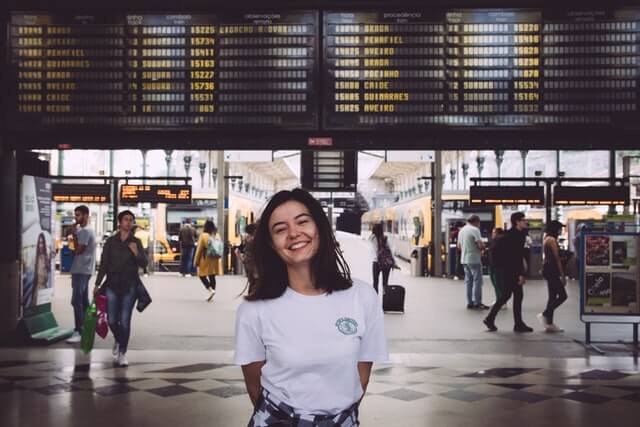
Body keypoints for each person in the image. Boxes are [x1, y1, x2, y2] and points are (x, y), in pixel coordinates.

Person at [235, 188, 388, 426]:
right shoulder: (253, 310)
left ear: (320, 228)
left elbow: (361, 376)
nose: (294, 233)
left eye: (302, 222)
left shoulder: (363, 297)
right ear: (272, 244)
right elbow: (255, 386)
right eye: (280, 229)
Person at [94, 210, 148, 367]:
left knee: (124, 321)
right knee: (111, 320)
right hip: (111, 284)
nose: (129, 222)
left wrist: (136, 252)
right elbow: (103, 264)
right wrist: (97, 284)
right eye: (126, 219)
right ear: (119, 222)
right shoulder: (111, 242)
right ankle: (119, 339)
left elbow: (144, 263)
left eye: (131, 220)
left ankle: (122, 352)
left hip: (129, 286)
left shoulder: (136, 242)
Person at [483, 212, 534, 333]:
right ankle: (517, 324)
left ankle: (491, 318)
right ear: (517, 221)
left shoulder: (510, 234)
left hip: (506, 270)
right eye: (523, 220)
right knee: (516, 296)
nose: (525, 222)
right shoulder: (517, 236)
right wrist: (520, 274)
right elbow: (515, 257)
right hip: (512, 270)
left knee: (507, 295)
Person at [66, 205, 97, 344]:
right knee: (83, 301)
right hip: (83, 269)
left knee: (76, 300)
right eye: (75, 215)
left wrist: (73, 234)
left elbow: (79, 250)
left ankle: (79, 330)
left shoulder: (85, 231)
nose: (76, 218)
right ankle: (87, 327)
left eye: (78, 215)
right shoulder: (85, 230)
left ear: (85, 215)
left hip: (81, 270)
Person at [538, 220, 567, 333]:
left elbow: (546, 257)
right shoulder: (552, 240)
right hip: (552, 270)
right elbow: (557, 258)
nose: (561, 230)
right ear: (555, 229)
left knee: (552, 297)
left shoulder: (546, 238)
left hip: (547, 269)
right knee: (563, 296)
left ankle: (549, 324)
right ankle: (545, 314)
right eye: (560, 228)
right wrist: (563, 275)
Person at [457, 215, 489, 310]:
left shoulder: (462, 230)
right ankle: (477, 303)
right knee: (477, 281)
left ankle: (469, 302)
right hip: (474, 259)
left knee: (468, 281)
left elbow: (459, 246)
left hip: (464, 259)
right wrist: (484, 248)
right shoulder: (475, 230)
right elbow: (480, 244)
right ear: (476, 222)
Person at [194, 220, 222, 302]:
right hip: (215, 258)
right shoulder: (217, 235)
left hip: (205, 258)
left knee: (201, 275)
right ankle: (212, 293)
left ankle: (210, 289)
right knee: (212, 275)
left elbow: (199, 249)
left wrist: (196, 261)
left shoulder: (203, 236)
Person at [369, 223, 394, 294]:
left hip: (376, 262)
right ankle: (386, 300)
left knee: (375, 282)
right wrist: (393, 262)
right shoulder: (385, 238)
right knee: (385, 283)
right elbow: (390, 250)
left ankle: (376, 299)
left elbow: (375, 249)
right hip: (386, 263)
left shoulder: (372, 238)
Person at [486, 227, 504, 307]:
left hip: (498, 265)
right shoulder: (494, 241)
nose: (492, 234)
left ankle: (502, 301)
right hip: (492, 264)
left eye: (494, 232)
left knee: (498, 283)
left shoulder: (501, 241)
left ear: (498, 233)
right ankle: (498, 299)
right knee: (495, 283)